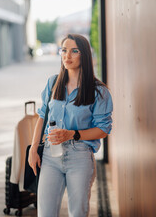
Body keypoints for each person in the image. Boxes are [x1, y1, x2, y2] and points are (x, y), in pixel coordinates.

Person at [28, 34, 113, 217]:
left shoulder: (99, 92)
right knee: (45, 213)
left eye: (74, 51)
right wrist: (34, 148)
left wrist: (72, 134)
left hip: (80, 157)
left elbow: (103, 129)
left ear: (84, 55)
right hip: (50, 156)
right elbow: (42, 116)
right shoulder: (53, 82)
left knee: (78, 213)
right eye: (64, 50)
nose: (67, 56)